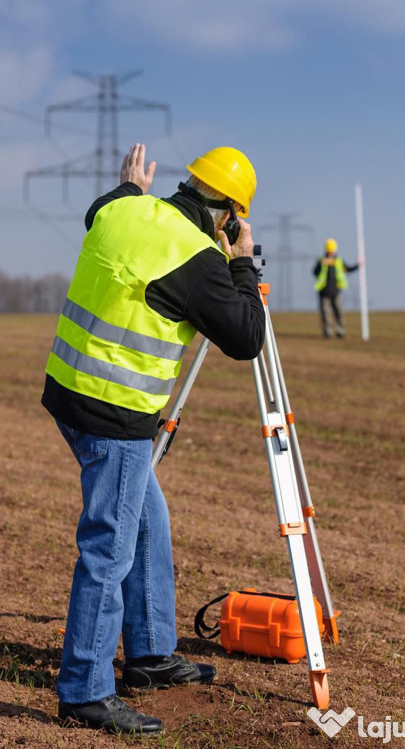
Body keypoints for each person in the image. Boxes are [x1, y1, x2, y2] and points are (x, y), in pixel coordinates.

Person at [41, 143, 265, 735]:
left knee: (146, 518)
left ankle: (148, 655)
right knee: (110, 545)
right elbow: (245, 336)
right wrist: (242, 261)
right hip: (113, 415)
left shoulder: (123, 210)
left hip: (69, 392)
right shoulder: (196, 258)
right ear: (230, 214)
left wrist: (128, 188)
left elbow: (100, 211)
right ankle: (85, 690)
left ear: (189, 185)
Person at [313, 239, 359, 338]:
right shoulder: (321, 260)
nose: (331, 252)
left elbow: (347, 269)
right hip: (323, 291)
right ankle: (327, 332)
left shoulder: (339, 261)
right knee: (325, 313)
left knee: (339, 311)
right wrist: (322, 265)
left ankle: (340, 330)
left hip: (336, 291)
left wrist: (358, 265)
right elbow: (315, 273)